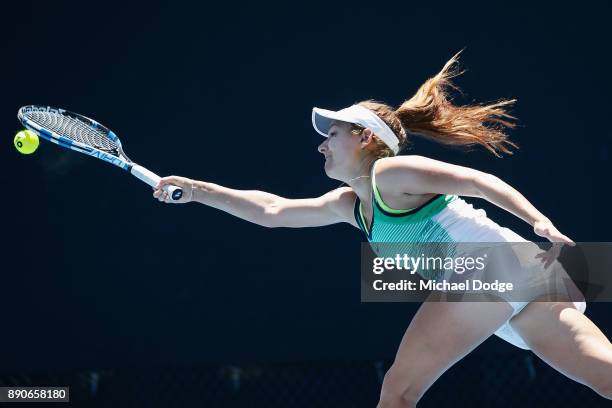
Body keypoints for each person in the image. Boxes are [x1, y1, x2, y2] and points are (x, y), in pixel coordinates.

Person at [152, 51, 612, 407]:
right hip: (521, 276)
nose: (321, 144)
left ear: (365, 137)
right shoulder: (351, 204)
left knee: (397, 393)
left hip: (490, 268)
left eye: (332, 133)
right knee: (606, 378)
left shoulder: (391, 173)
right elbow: (272, 210)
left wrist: (536, 219)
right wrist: (197, 189)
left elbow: (479, 181)